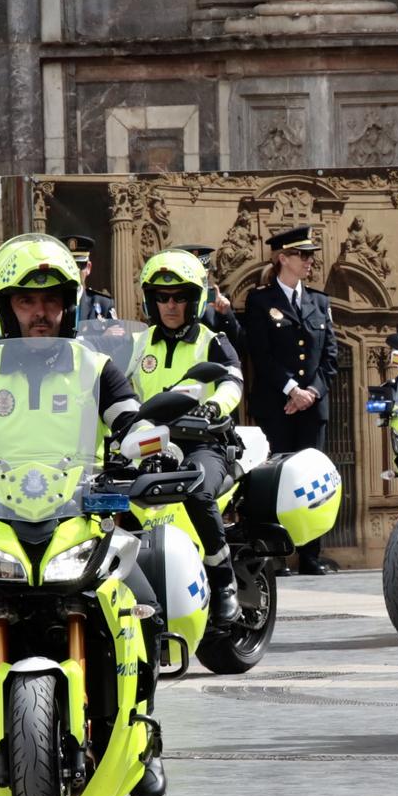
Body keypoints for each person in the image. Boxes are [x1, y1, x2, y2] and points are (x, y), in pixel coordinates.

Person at [0, 233, 170, 796]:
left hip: (80, 516)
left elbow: (129, 417)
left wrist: (145, 442)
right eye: (26, 301)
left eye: (52, 300)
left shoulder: (97, 366)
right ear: (6, 307)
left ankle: (145, 736)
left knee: (144, 602)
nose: (41, 313)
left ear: (70, 304)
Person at [133, 249, 247, 620]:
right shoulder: (139, 344)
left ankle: (223, 579)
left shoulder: (211, 341)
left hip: (203, 442)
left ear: (193, 299)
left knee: (196, 490)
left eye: (179, 297)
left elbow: (233, 380)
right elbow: (118, 391)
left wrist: (214, 408)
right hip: (148, 443)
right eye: (162, 298)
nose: (170, 305)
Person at [240, 227, 339, 575]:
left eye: (311, 254)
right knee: (276, 480)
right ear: (283, 258)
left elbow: (330, 358)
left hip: (312, 409)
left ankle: (311, 556)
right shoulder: (260, 301)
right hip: (277, 406)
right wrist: (290, 390)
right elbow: (260, 355)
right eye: (303, 254)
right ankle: (276, 556)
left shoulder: (319, 302)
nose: (310, 260)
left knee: (314, 481)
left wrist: (310, 392)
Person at [63, 234, 119, 326]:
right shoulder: (53, 302)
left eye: (80, 265)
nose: (75, 270)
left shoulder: (103, 304)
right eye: (70, 265)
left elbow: (120, 337)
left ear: (88, 268)